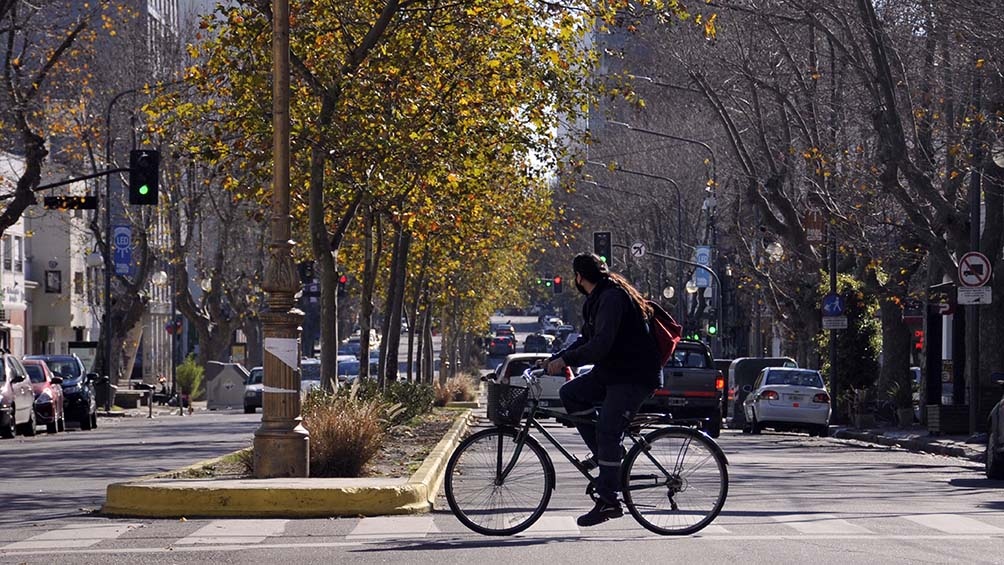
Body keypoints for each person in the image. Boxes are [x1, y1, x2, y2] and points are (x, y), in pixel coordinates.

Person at [546, 253, 661, 527]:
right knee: (570, 394)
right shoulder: (597, 300)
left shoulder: (612, 298)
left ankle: (609, 501)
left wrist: (566, 360)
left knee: (608, 431)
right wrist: (557, 357)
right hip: (613, 372)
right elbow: (586, 339)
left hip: (633, 377)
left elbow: (600, 345)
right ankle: (604, 456)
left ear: (579, 277)